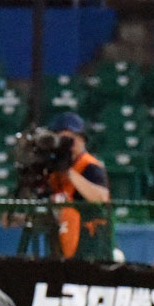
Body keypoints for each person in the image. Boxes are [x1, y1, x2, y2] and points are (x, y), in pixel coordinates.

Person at [46, 111, 112, 262]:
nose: (67, 146)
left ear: (82, 140)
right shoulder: (52, 170)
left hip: (91, 243)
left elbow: (101, 197)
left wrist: (69, 172)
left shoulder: (91, 166)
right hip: (60, 243)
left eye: (71, 140)